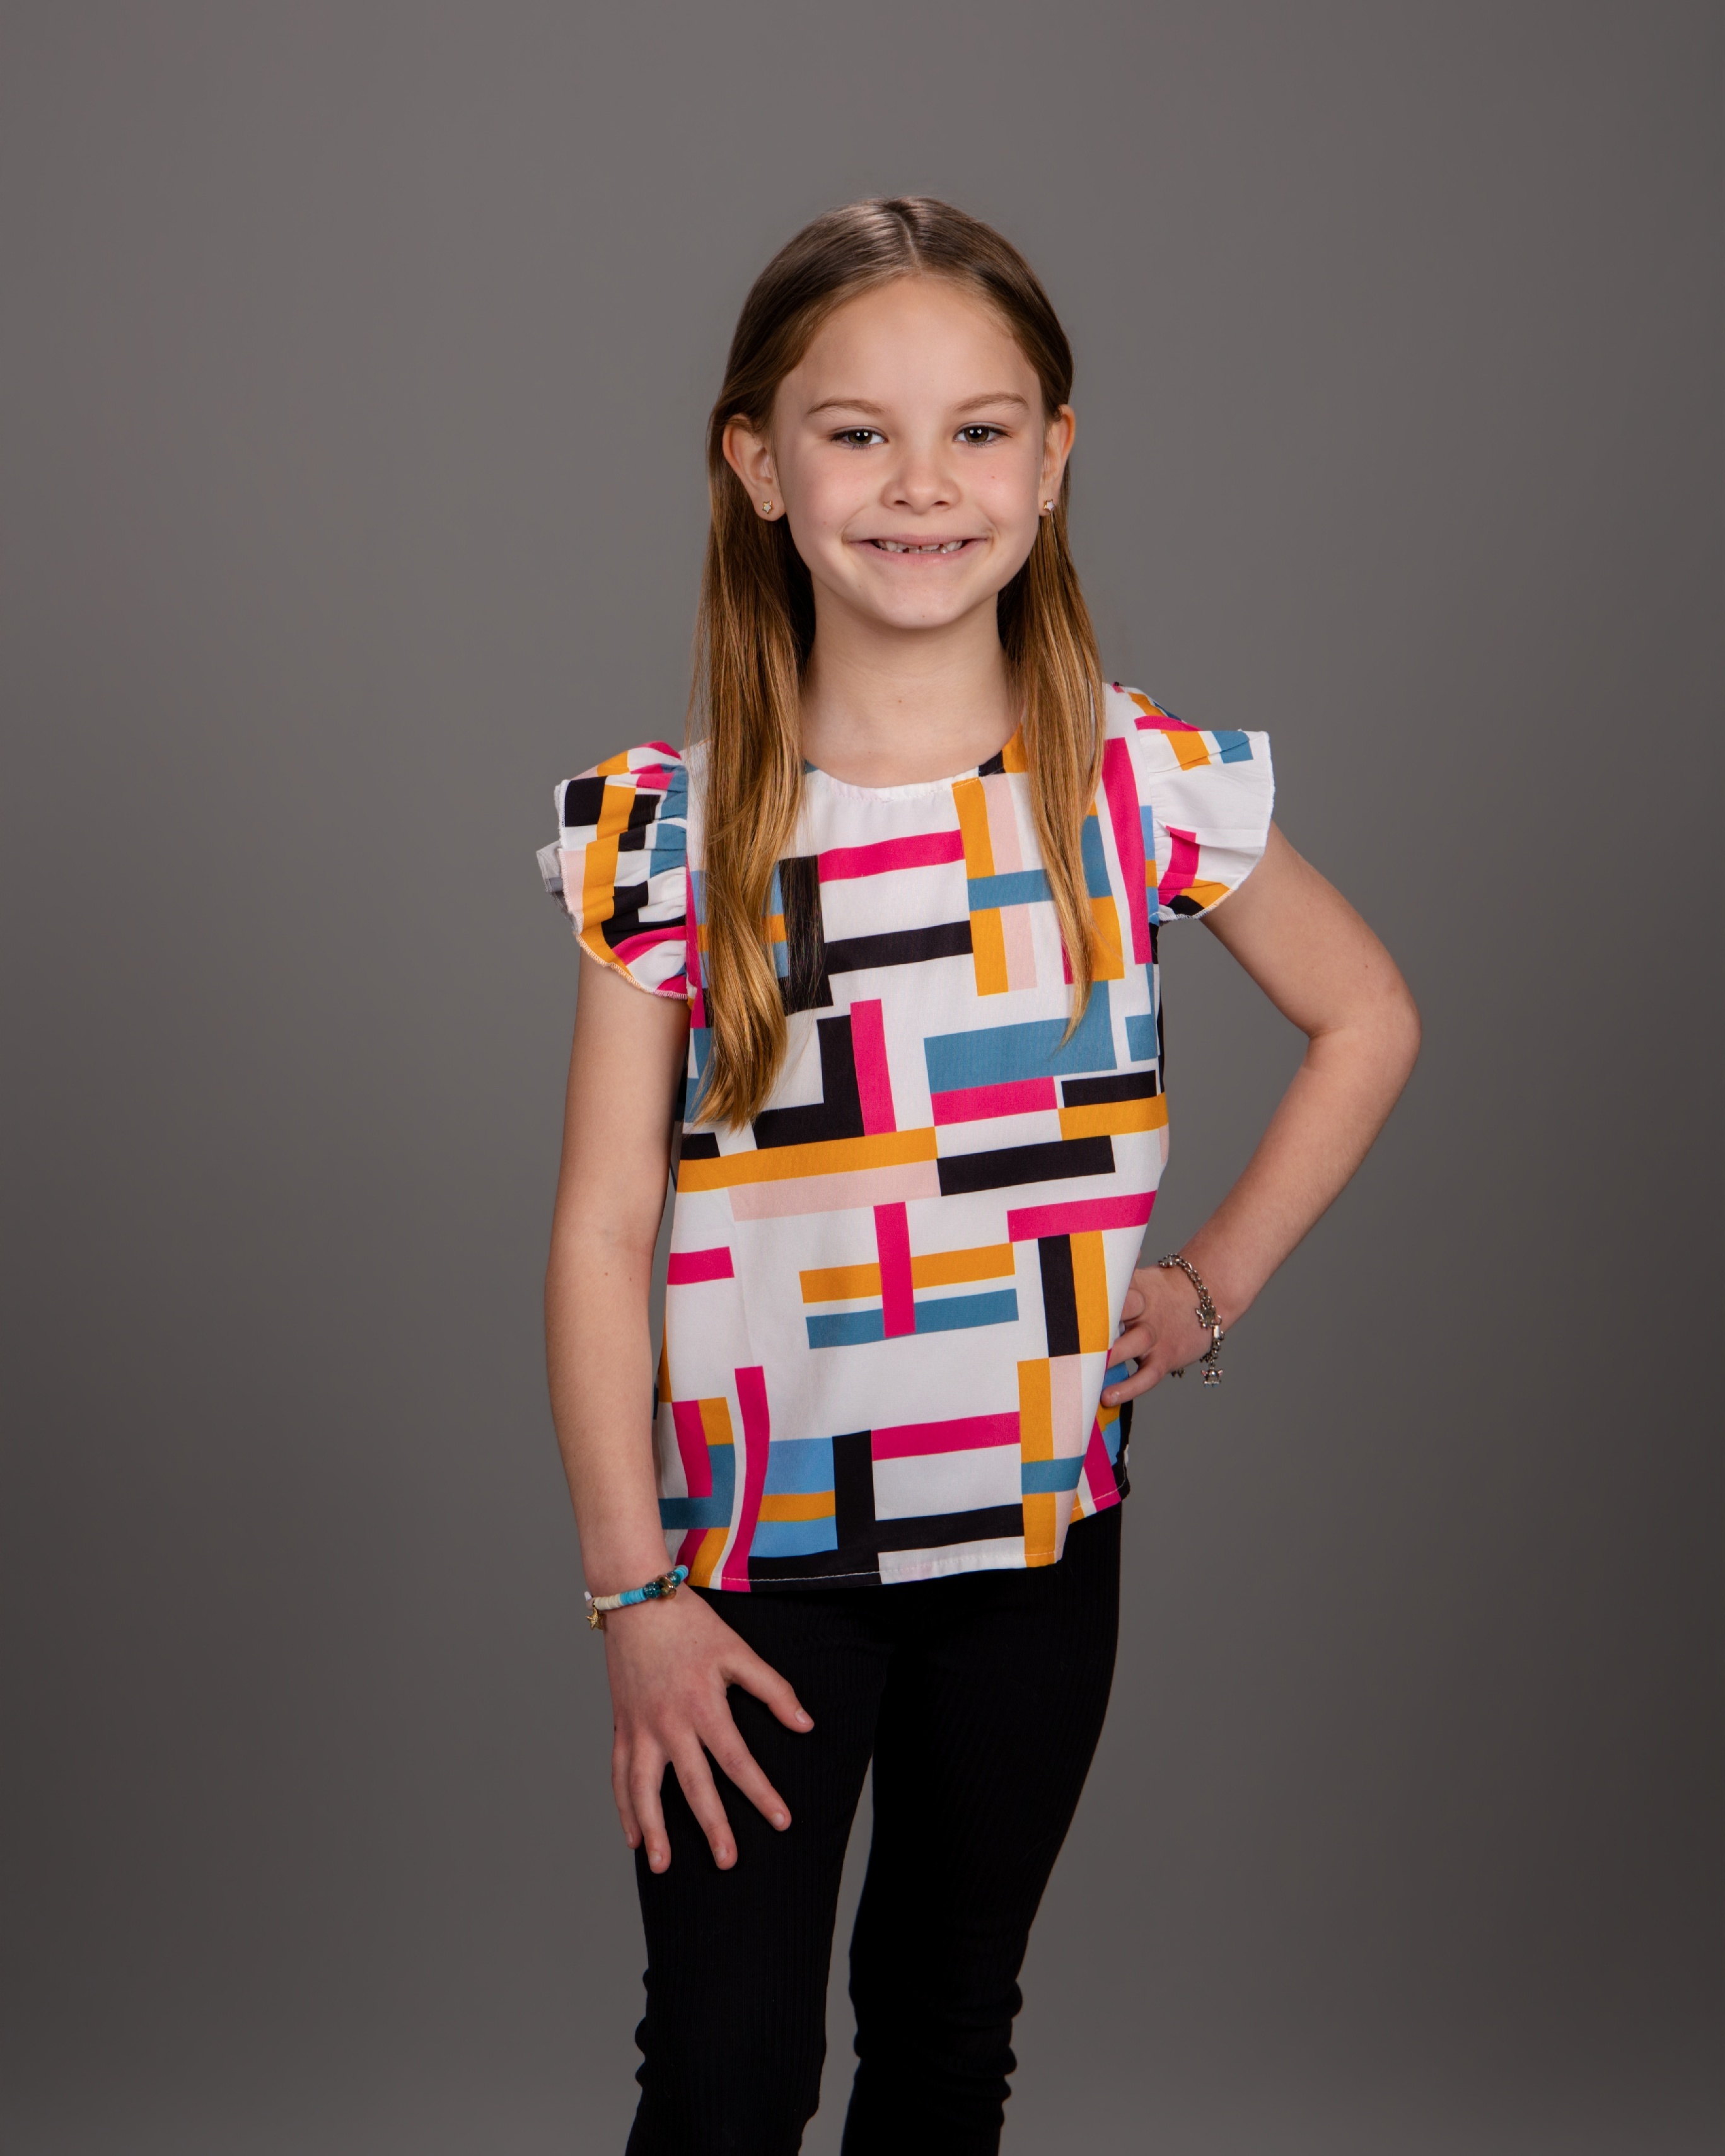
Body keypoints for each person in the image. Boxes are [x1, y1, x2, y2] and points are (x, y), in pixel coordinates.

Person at [538, 196, 1420, 2156]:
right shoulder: (672, 832)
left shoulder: (1136, 787)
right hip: (752, 1578)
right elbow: (602, 1229)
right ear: (757, 465)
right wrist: (633, 1590)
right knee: (726, 2081)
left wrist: (1208, 1282)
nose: (923, 484)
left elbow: (1367, 1013)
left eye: (980, 430)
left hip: (1034, 1551)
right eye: (857, 432)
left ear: (1055, 457)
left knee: (945, 2044)